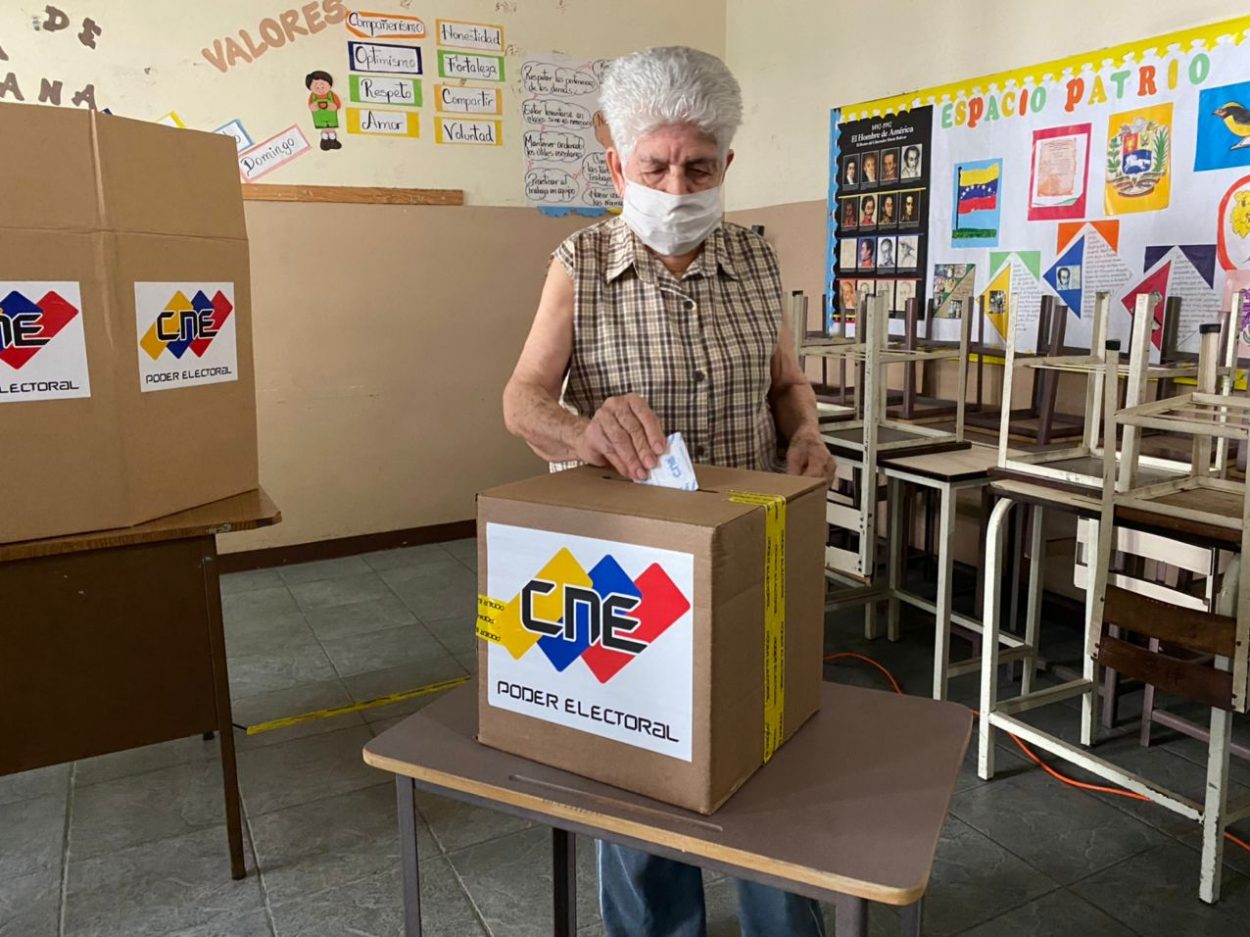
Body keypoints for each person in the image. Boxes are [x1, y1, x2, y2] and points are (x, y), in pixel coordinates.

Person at [502, 46, 834, 937]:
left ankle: (784, 922)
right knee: (641, 774)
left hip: (751, 547)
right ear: (618, 163)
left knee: (766, 756)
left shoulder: (757, 264)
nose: (677, 185)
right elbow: (522, 400)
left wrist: (806, 428)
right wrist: (582, 432)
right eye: (655, 166)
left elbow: (785, 385)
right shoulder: (579, 263)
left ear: (728, 163)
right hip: (628, 565)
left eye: (698, 165)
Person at [305, 70, 342, 150]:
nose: (320, 89)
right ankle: (324, 141)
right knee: (324, 130)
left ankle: (333, 140)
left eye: (322, 87)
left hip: (331, 117)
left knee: (331, 129)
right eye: (317, 87)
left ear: (329, 85)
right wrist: (314, 107)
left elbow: (337, 104)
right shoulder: (313, 97)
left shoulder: (332, 95)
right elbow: (310, 105)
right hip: (320, 118)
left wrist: (333, 106)